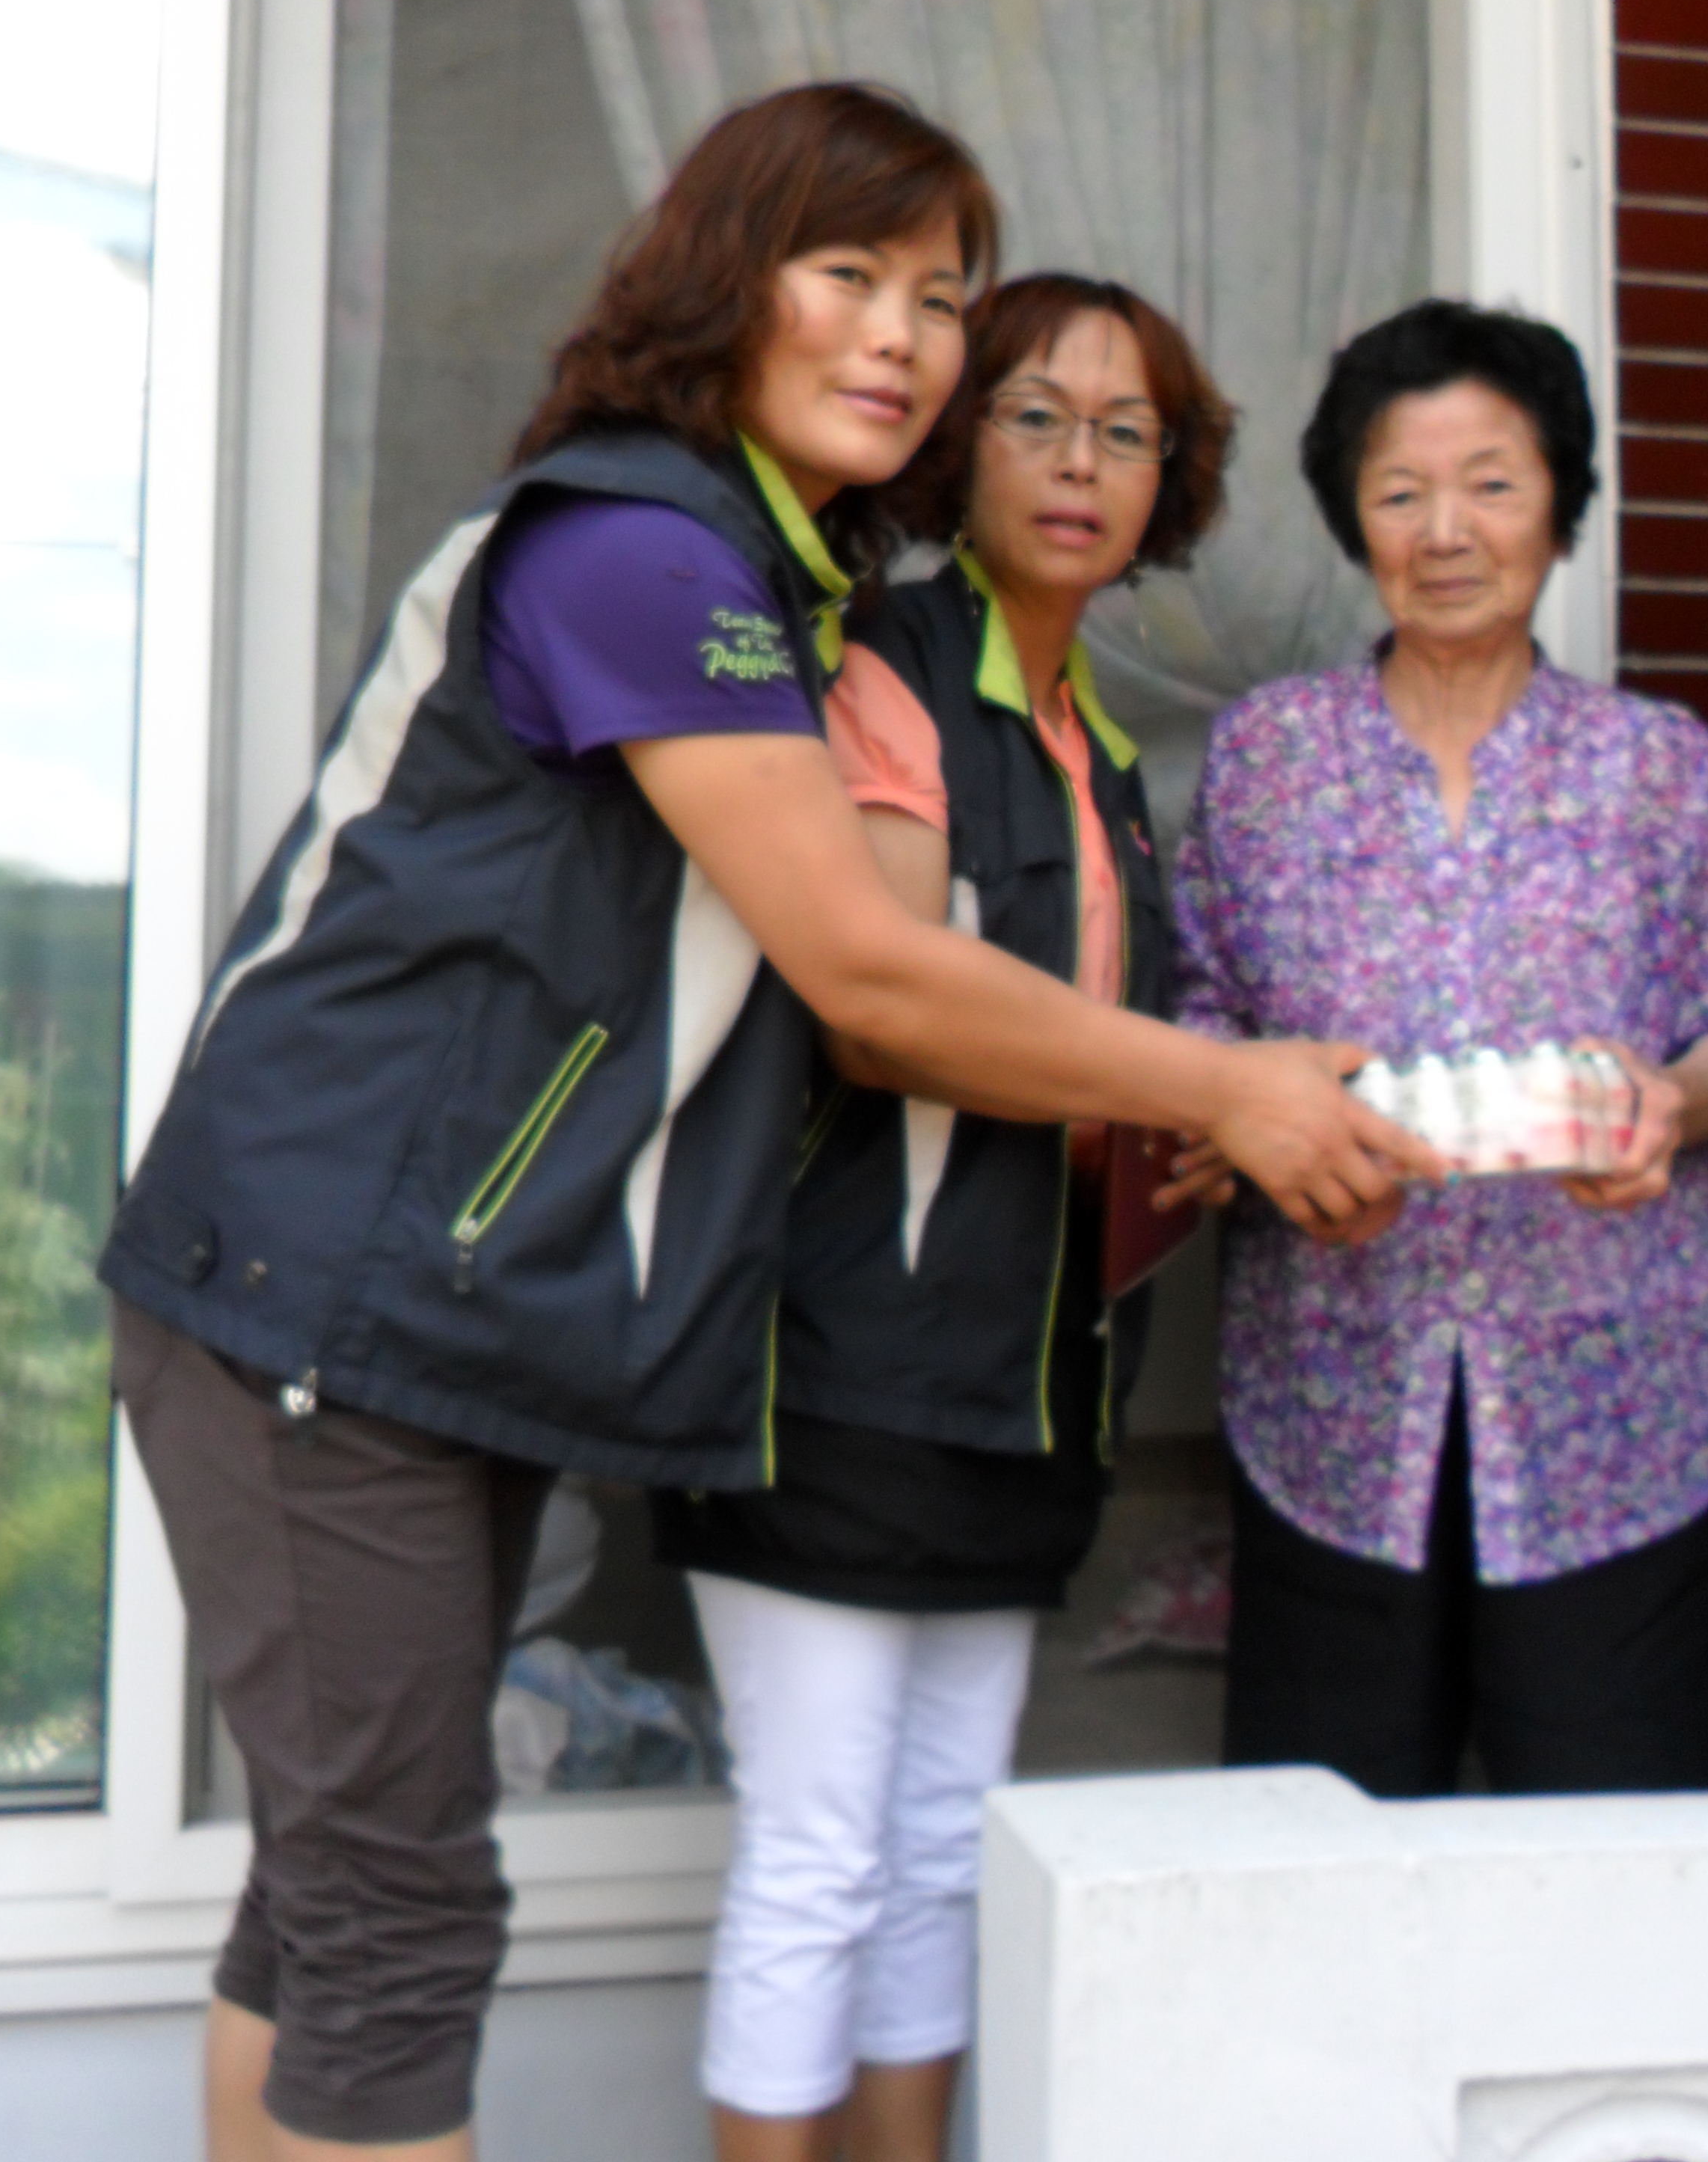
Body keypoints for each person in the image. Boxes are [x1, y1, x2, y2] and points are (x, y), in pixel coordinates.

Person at [96, 86, 1430, 2162]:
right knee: (397, 1916)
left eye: (941, 297)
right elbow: (871, 975)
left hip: (419, 1317)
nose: (903, 336)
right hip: (319, 1300)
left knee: (335, 1894)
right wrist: (1231, 1084)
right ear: (728, 279)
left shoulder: (763, 578)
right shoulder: (638, 549)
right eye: (849, 274)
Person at [653, 275, 1234, 2162]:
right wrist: (1197, 1088)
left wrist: (1190, 1133)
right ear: (957, 443)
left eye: (1127, 433)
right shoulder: (883, 668)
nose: (1082, 464)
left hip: (1023, 1381)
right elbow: (889, 1012)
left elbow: (1087, 1066)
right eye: (1036, 416)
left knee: (939, 1847)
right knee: (820, 1851)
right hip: (832, 1369)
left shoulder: (1105, 748)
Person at [1173, 297, 1708, 1801]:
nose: (1447, 531)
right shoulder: (1266, 757)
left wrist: (1670, 1103)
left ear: (1560, 510)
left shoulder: (1652, 761)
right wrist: (1257, 1132)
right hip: (1335, 1388)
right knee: (1328, 1846)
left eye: (1493, 484)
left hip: (1621, 1399)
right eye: (1401, 492)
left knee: (1627, 1845)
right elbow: (1202, 1019)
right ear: (1355, 521)